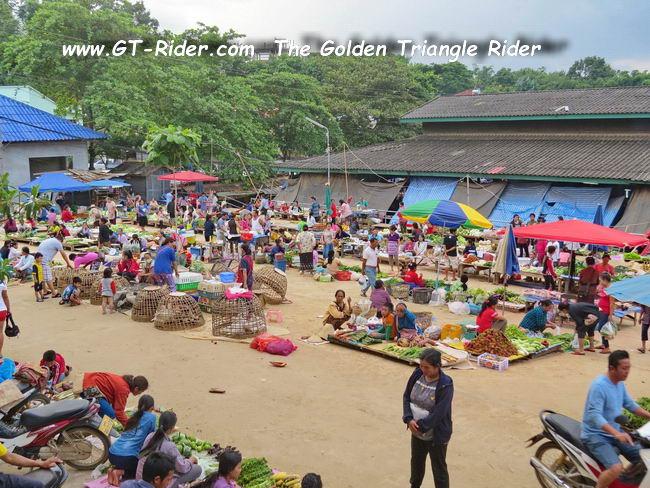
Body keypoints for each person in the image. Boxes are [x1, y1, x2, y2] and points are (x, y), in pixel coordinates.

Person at [581, 350, 650, 488]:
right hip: (595, 436)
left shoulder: (619, 383)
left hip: (615, 433)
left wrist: (649, 415)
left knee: (644, 456)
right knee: (616, 468)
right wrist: (617, 433)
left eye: (629, 368)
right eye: (624, 368)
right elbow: (595, 415)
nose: (627, 372)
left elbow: (630, 404)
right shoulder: (599, 386)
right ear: (612, 368)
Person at [403, 348, 453, 488]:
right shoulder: (417, 374)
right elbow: (406, 397)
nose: (423, 370)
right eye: (421, 366)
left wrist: (421, 426)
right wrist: (408, 419)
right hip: (416, 431)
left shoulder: (445, 384)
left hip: (436, 435)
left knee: (439, 469)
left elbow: (440, 412)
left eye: (427, 367)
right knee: (416, 464)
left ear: (437, 366)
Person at [137, 411, 202, 487]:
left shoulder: (150, 436)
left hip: (141, 477)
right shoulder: (169, 446)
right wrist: (191, 460)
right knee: (197, 469)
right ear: (171, 429)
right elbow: (182, 468)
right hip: (157, 483)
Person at [109, 394, 156, 480]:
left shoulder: (134, 415)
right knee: (140, 470)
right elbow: (151, 436)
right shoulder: (151, 417)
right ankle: (119, 472)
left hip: (112, 453)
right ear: (152, 407)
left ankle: (113, 469)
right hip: (126, 458)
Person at [82, 372, 149, 427]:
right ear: (136, 389)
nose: (139, 394)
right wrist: (129, 426)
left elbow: (116, 406)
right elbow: (118, 412)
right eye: (141, 392)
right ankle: (102, 433)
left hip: (90, 380)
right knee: (110, 414)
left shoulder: (123, 382)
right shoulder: (124, 389)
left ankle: (101, 431)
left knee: (107, 410)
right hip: (90, 388)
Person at [37, 233, 72, 298]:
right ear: (61, 240)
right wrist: (68, 263)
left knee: (43, 276)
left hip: (38, 259)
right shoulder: (58, 242)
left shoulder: (49, 240)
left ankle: (45, 290)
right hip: (44, 260)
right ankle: (54, 293)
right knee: (48, 277)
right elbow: (63, 254)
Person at [595, 273, 615, 355]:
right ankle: (604, 344)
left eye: (601, 280)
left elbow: (612, 303)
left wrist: (610, 315)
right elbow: (597, 291)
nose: (600, 282)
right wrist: (600, 286)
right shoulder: (604, 287)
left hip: (606, 311)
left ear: (605, 280)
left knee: (601, 328)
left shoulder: (611, 289)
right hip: (601, 309)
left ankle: (607, 347)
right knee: (602, 327)